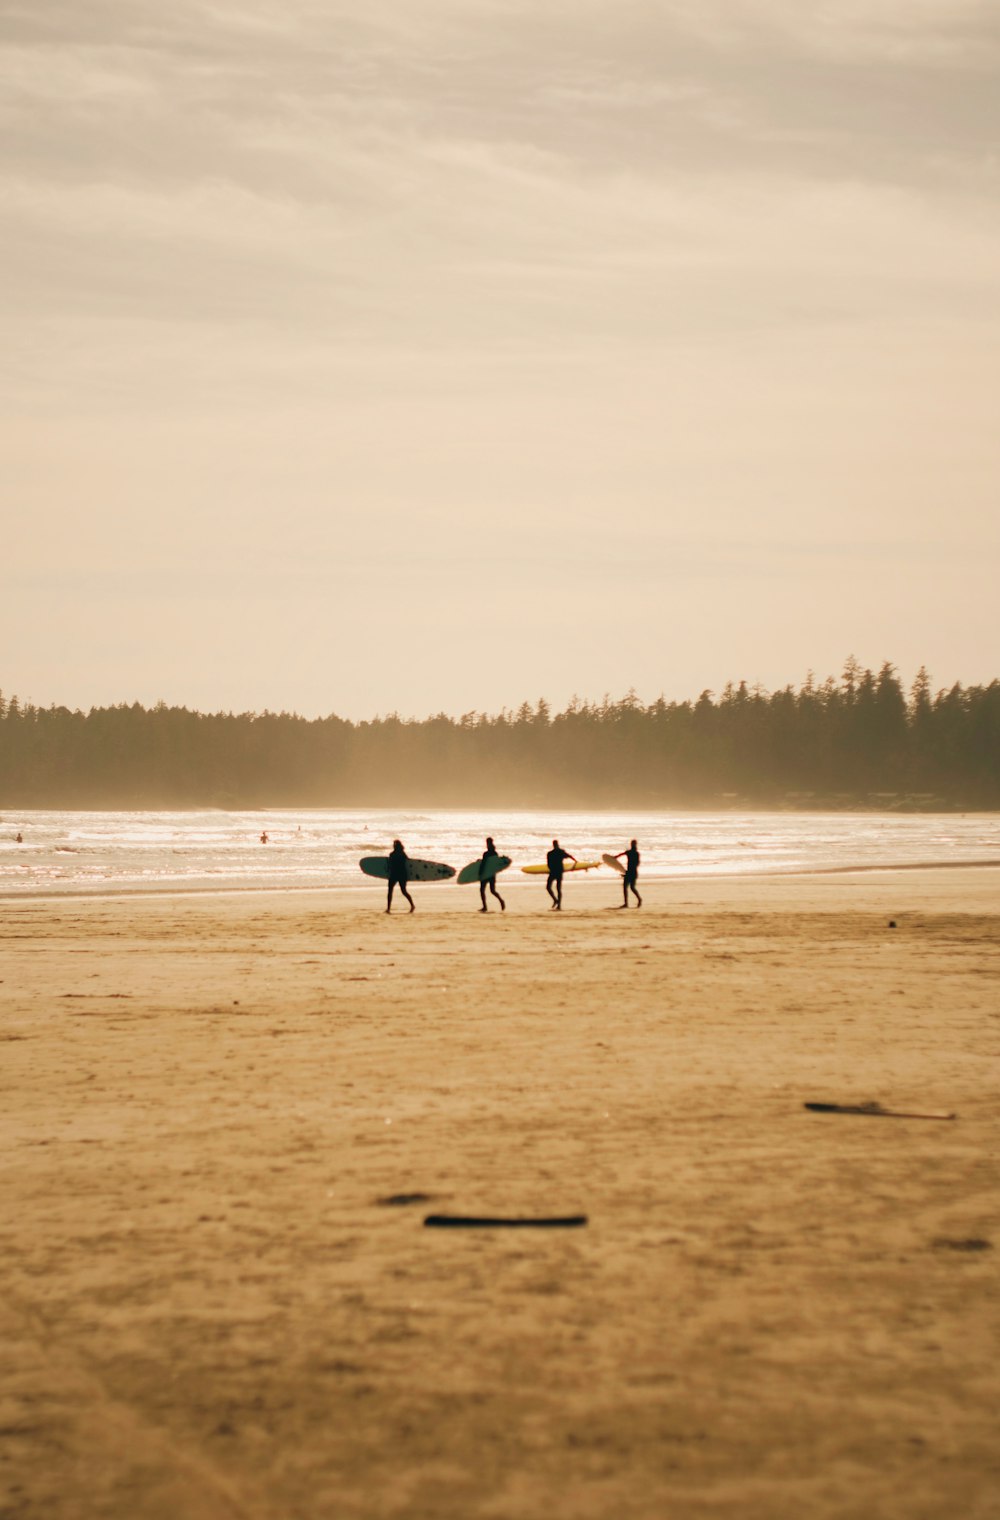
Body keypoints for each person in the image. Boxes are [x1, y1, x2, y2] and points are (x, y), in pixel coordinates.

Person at [546, 838, 576, 910]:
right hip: (559, 871)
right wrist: (575, 862)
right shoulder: (561, 852)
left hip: (553, 872)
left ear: (553, 845)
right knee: (558, 889)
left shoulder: (550, 853)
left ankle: (555, 900)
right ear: (557, 844)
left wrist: (550, 869)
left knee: (548, 887)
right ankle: (558, 904)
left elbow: (548, 864)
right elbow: (569, 856)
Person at [477, 837, 506, 913]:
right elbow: (495, 864)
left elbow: (484, 864)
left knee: (482, 890)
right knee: (492, 890)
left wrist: (480, 873)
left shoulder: (486, 853)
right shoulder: (495, 853)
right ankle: (501, 901)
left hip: (485, 874)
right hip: (492, 874)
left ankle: (485, 907)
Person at [386, 838, 415, 914]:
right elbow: (408, 863)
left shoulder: (394, 854)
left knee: (402, 891)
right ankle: (388, 908)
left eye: (395, 845)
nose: (394, 846)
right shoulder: (402, 854)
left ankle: (412, 905)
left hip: (397, 874)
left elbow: (390, 865)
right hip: (399, 874)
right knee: (393, 891)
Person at [615, 839, 642, 908]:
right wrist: (613, 858)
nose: (632, 845)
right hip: (632, 872)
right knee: (628, 887)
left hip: (631, 872)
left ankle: (635, 900)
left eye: (632, 844)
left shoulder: (632, 853)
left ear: (634, 845)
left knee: (630, 887)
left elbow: (620, 855)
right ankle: (627, 903)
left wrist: (614, 858)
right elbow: (620, 855)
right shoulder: (634, 853)